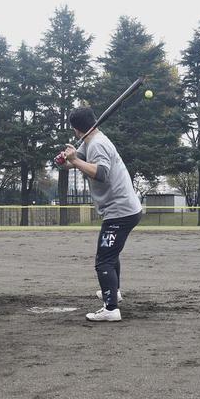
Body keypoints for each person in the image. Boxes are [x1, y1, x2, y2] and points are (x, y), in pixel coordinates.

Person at [61, 108, 142, 322]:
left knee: (103, 261)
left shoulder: (97, 144)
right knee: (110, 256)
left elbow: (102, 174)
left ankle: (111, 309)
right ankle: (113, 292)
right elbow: (76, 159)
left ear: (76, 129)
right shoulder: (90, 140)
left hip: (120, 211)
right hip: (123, 209)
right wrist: (65, 160)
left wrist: (75, 162)